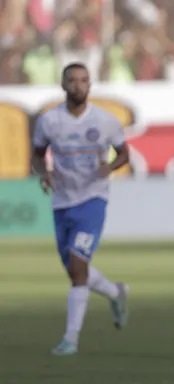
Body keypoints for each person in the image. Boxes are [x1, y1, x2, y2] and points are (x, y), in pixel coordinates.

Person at [31, 63, 131, 356]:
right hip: (62, 202)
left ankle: (70, 339)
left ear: (90, 85)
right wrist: (44, 173)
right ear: (63, 85)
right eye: (72, 80)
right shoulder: (49, 121)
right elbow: (37, 155)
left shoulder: (105, 120)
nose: (78, 85)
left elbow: (124, 153)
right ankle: (115, 292)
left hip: (92, 200)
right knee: (76, 270)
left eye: (83, 80)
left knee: (77, 268)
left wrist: (110, 167)